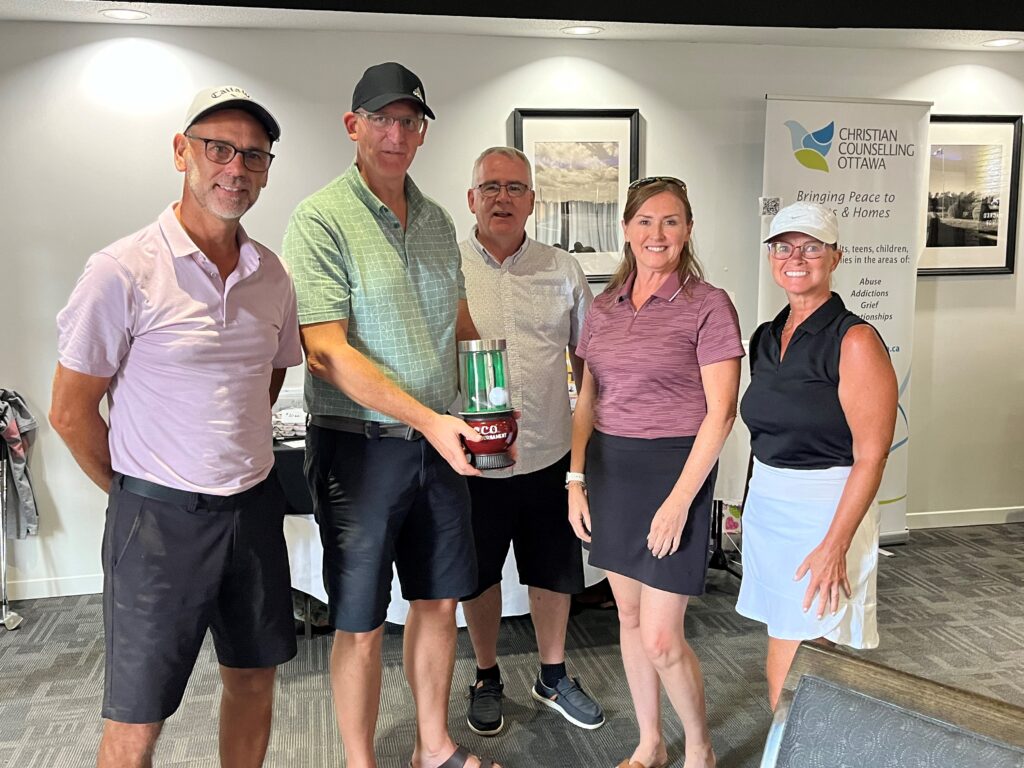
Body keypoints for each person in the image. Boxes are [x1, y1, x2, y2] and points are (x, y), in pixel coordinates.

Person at [49, 86, 299, 768]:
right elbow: (70, 412)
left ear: (267, 169)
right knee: (139, 714)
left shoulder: (270, 273)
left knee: (253, 679)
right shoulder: (121, 270)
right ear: (181, 152)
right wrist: (135, 490)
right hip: (156, 526)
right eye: (218, 148)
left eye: (254, 154)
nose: (236, 168)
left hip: (251, 513)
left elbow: (266, 379)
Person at [281, 63, 497, 768]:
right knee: (361, 620)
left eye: (410, 122)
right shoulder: (319, 219)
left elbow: (459, 325)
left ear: (423, 133)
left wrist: (490, 406)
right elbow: (326, 353)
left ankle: (433, 747)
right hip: (358, 449)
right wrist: (432, 421)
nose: (397, 133)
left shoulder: (436, 221)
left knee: (438, 603)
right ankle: (359, 761)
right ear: (353, 126)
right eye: (382, 119)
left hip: (440, 444)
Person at [568, 177, 742, 768]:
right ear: (626, 229)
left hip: (677, 469)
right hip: (611, 470)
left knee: (664, 637)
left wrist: (679, 501)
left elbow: (722, 413)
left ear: (688, 229)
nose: (657, 233)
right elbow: (587, 397)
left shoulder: (708, 304)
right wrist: (575, 479)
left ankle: (699, 746)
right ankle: (651, 743)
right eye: (644, 221)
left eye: (670, 221)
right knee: (629, 616)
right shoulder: (603, 306)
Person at [459, 147, 604, 737]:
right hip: (472, 458)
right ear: (471, 199)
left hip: (548, 455)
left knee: (552, 572)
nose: (502, 198)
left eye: (515, 188)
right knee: (478, 575)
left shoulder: (561, 269)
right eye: (490, 187)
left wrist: (583, 455)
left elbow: (588, 362)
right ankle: (487, 674)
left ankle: (552, 674)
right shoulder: (448, 264)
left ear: (532, 203)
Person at [736, 201, 897, 710]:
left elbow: (872, 455)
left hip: (825, 510)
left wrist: (835, 545)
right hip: (769, 503)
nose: (795, 257)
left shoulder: (855, 340)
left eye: (811, 247)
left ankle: (789, 749)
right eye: (783, 247)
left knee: (793, 644)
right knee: (802, 640)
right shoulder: (765, 336)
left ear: (835, 257)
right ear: (771, 257)